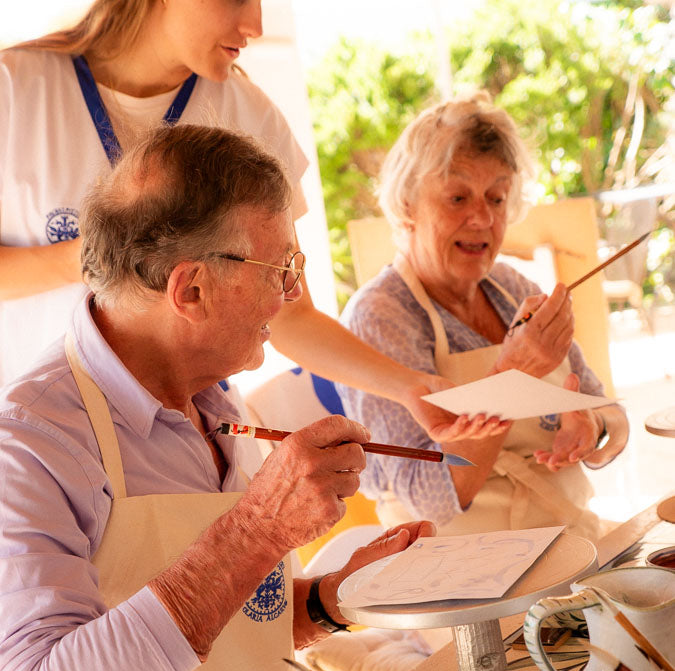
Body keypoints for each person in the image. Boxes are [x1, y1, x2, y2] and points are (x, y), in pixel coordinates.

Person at [0, 123, 436, 671]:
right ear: (190, 289)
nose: (292, 295)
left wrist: (327, 602)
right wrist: (258, 530)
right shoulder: (29, 444)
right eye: (281, 269)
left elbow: (222, 634)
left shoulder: (216, 399)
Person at [0, 0, 491, 446]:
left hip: (188, 438)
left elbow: (288, 313)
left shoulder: (249, 115)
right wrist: (105, 255)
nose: (255, 24)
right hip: (47, 438)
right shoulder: (16, 89)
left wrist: (408, 386)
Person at [338, 93, 629, 542]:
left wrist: (591, 426)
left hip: (566, 538)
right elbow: (429, 500)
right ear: (408, 205)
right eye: (458, 197)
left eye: (497, 198)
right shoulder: (380, 316)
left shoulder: (511, 287)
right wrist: (515, 373)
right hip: (460, 575)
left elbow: (605, 409)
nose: (482, 218)